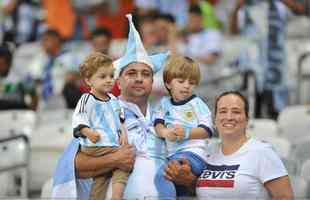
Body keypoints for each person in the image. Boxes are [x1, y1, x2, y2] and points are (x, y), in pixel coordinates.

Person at [52, 14, 174, 199]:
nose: (139, 78)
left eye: (145, 74)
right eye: (131, 73)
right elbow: (72, 165)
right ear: (118, 80)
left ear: (151, 81)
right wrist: (115, 159)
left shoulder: (166, 117)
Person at [165, 90, 294, 199]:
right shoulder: (207, 151)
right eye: (222, 111)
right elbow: (209, 191)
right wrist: (189, 180)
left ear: (247, 119)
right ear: (214, 120)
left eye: (236, 112)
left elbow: (285, 197)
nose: (229, 117)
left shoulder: (262, 152)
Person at [154, 54, 213, 197]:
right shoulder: (163, 103)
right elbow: (158, 124)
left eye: (191, 83)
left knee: (163, 175)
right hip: (173, 154)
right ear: (168, 84)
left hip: (194, 155)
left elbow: (207, 130)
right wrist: (165, 133)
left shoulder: (198, 104)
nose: (186, 85)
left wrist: (186, 133)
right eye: (181, 81)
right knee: (180, 190)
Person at [72, 52, 128, 200]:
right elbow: (79, 117)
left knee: (101, 176)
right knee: (125, 160)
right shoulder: (87, 99)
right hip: (95, 144)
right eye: (102, 77)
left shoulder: (114, 100)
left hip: (108, 142)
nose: (109, 80)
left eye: (111, 76)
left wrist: (123, 133)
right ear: (89, 80)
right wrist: (88, 132)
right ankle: (117, 195)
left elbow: (120, 119)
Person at [0, 43, 37, 110]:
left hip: (17, 112)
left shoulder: (21, 75)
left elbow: (33, 95)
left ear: (9, 62)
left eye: (2, 64)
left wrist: (31, 112)